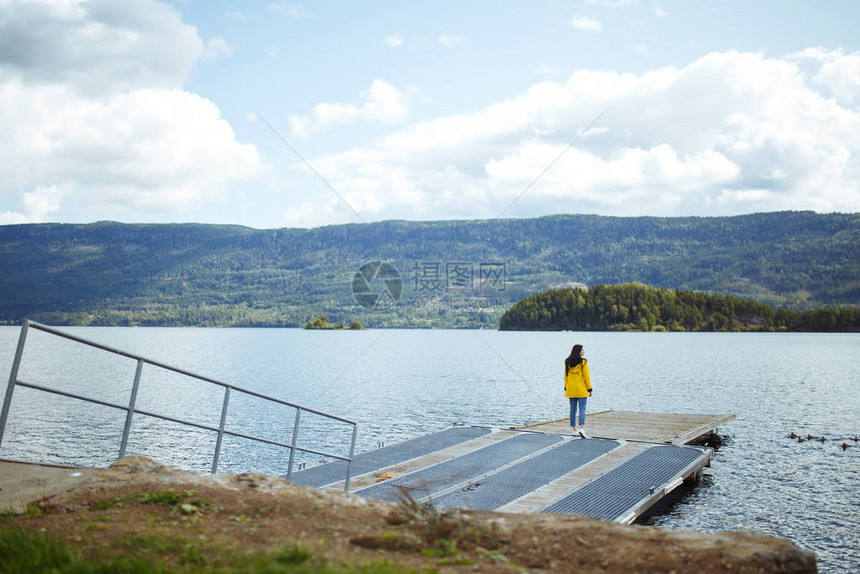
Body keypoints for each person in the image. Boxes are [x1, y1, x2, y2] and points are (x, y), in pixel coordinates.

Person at [564, 344, 592, 438]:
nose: (583, 351)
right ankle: (582, 428)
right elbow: (586, 377)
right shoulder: (583, 362)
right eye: (582, 350)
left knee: (572, 409)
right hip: (581, 390)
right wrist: (589, 389)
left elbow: (566, 376)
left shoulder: (567, 361)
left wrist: (565, 387)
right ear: (579, 351)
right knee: (582, 408)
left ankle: (574, 430)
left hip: (571, 389)